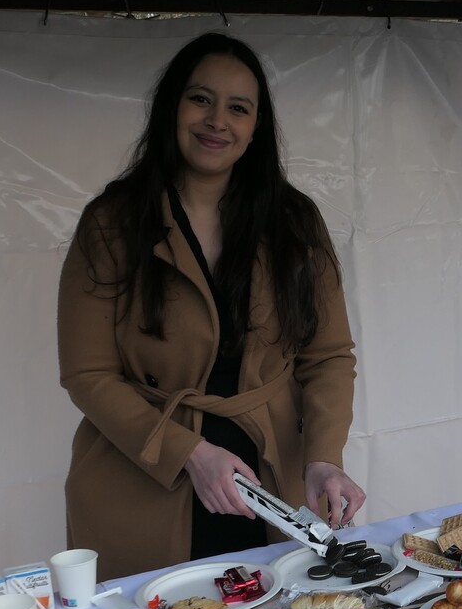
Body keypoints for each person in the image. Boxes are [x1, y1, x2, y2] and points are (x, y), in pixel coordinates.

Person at [58, 33, 364, 579]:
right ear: (172, 107)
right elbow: (88, 374)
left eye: (238, 108)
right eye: (200, 99)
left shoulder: (294, 223)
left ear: (256, 126)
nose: (217, 120)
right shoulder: (112, 224)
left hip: (268, 482)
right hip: (144, 480)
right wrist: (190, 453)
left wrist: (324, 457)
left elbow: (328, 356)